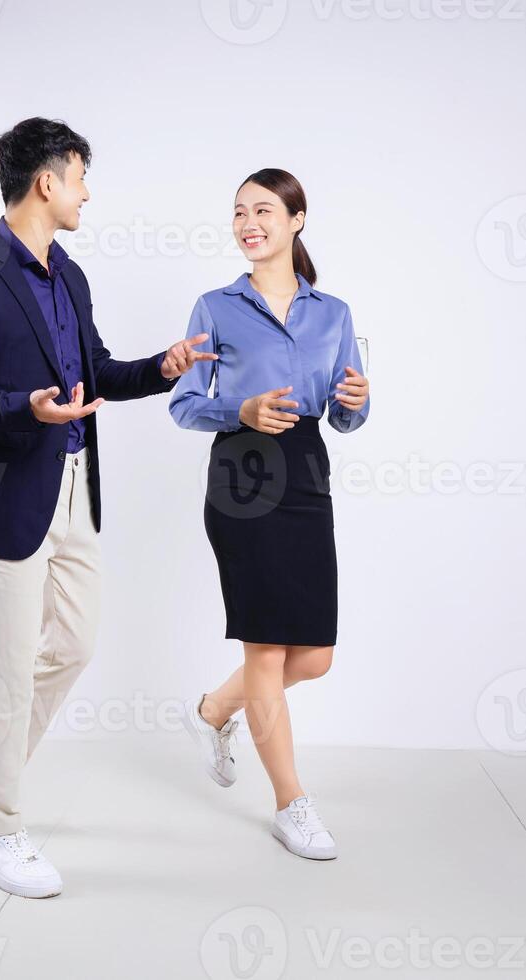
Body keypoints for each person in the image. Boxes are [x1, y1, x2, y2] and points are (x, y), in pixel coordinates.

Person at [0, 117, 214, 898]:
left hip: (77, 490)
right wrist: (24, 406)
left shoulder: (69, 276)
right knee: (4, 672)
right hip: (8, 495)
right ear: (46, 181)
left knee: (74, 645)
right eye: (80, 175)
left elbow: (99, 373)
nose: (87, 191)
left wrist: (165, 366)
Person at [169, 168, 370, 860]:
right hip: (242, 473)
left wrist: (355, 399)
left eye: (262, 210)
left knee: (313, 656)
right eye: (238, 212)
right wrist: (242, 409)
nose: (248, 222)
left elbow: (346, 415)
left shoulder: (333, 313)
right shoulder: (214, 307)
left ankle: (212, 711)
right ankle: (291, 803)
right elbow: (184, 404)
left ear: (297, 219)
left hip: (307, 469)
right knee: (265, 648)